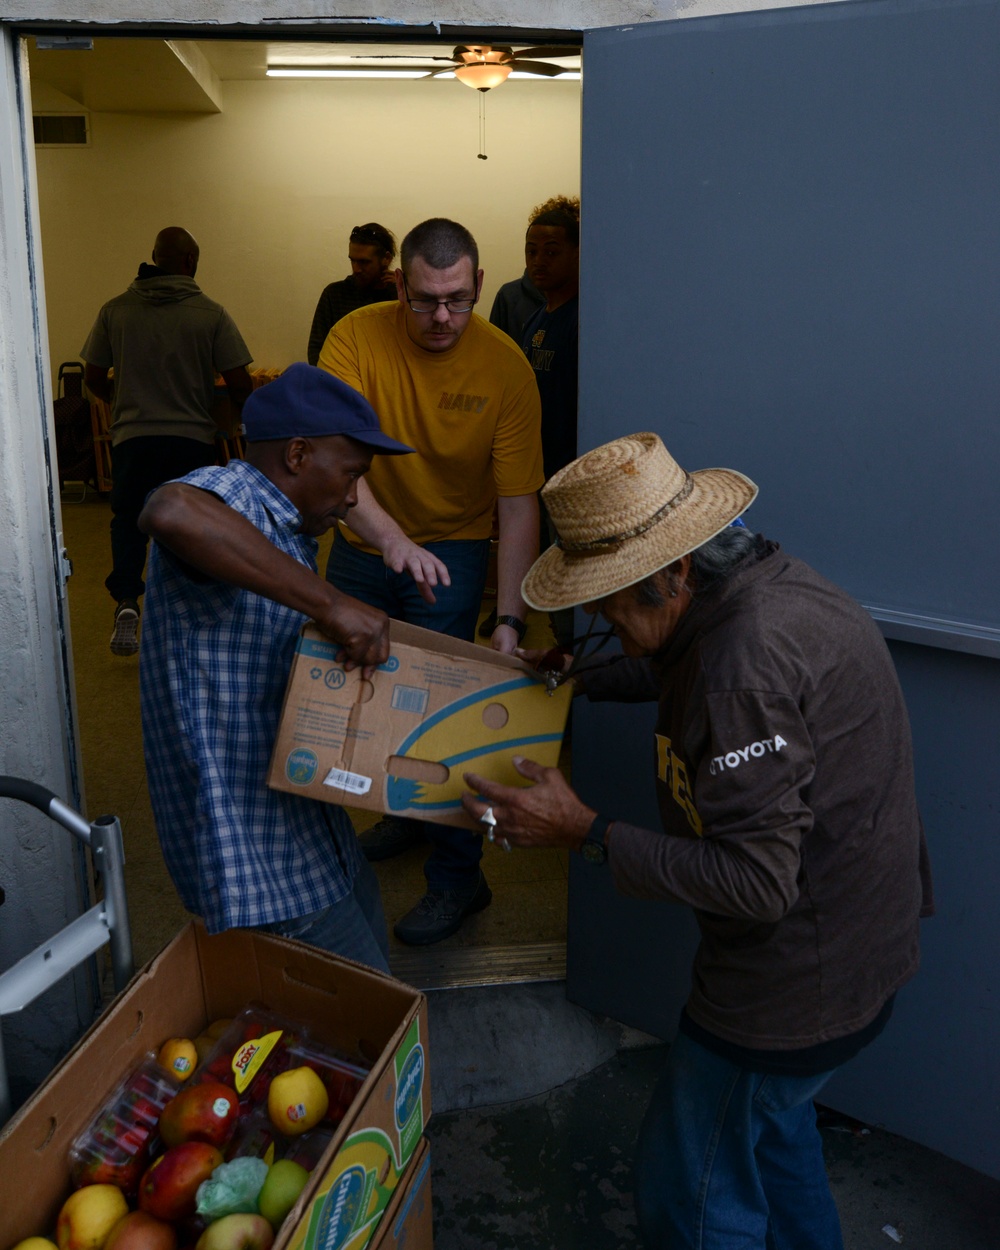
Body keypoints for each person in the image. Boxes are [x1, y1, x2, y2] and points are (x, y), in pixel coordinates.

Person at [460, 432, 934, 1250]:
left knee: (691, 1191)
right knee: (772, 1133)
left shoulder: (740, 670)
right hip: (856, 951)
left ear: (675, 571)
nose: (602, 615)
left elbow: (758, 884)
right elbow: (670, 655)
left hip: (792, 987)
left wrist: (588, 832)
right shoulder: (750, 586)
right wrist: (576, 674)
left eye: (610, 600)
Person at [136, 363, 413, 973]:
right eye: (351, 477)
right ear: (296, 454)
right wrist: (333, 604)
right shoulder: (237, 497)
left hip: (311, 834)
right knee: (362, 1031)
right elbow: (170, 510)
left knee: (381, 998)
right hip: (257, 854)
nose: (349, 500)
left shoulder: (285, 537)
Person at [317, 217, 544, 946]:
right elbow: (331, 468)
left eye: (456, 299)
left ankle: (458, 880)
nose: (441, 318)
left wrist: (508, 618)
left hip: (454, 550)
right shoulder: (353, 338)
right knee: (354, 695)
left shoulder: (507, 367)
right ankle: (401, 813)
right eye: (422, 301)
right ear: (398, 286)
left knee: (444, 718)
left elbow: (516, 506)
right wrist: (391, 542)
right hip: (366, 535)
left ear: (478, 284)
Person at [82, 226, 253, 656]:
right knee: (189, 526)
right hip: (191, 440)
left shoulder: (115, 310)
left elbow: (91, 377)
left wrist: (121, 402)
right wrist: (237, 421)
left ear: (154, 258)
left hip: (133, 438)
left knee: (128, 520)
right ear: (190, 261)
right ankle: (187, 615)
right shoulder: (210, 314)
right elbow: (239, 382)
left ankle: (126, 600)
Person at [481, 195, 580, 644]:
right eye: (531, 250)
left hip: (570, 478)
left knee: (568, 590)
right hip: (533, 473)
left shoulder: (585, 319)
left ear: (579, 252)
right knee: (537, 572)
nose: (538, 261)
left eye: (552, 251)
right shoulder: (538, 316)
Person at [306, 223, 398, 366]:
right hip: (341, 383)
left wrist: (407, 291)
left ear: (386, 259)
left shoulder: (400, 295)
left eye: (364, 262)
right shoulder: (334, 294)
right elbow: (316, 350)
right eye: (352, 260)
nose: (356, 269)